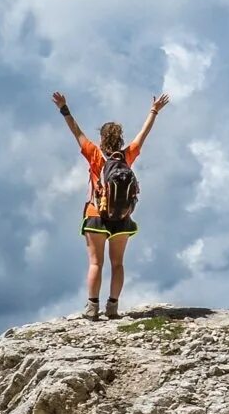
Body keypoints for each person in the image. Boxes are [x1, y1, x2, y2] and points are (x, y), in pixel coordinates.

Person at [54, 90, 168, 319]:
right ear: (120, 139)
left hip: (96, 214)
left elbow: (76, 132)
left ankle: (92, 307)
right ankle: (113, 307)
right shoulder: (127, 156)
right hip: (122, 218)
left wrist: (64, 108)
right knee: (118, 264)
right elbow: (143, 134)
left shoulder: (94, 154)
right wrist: (154, 111)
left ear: (102, 139)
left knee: (96, 263)